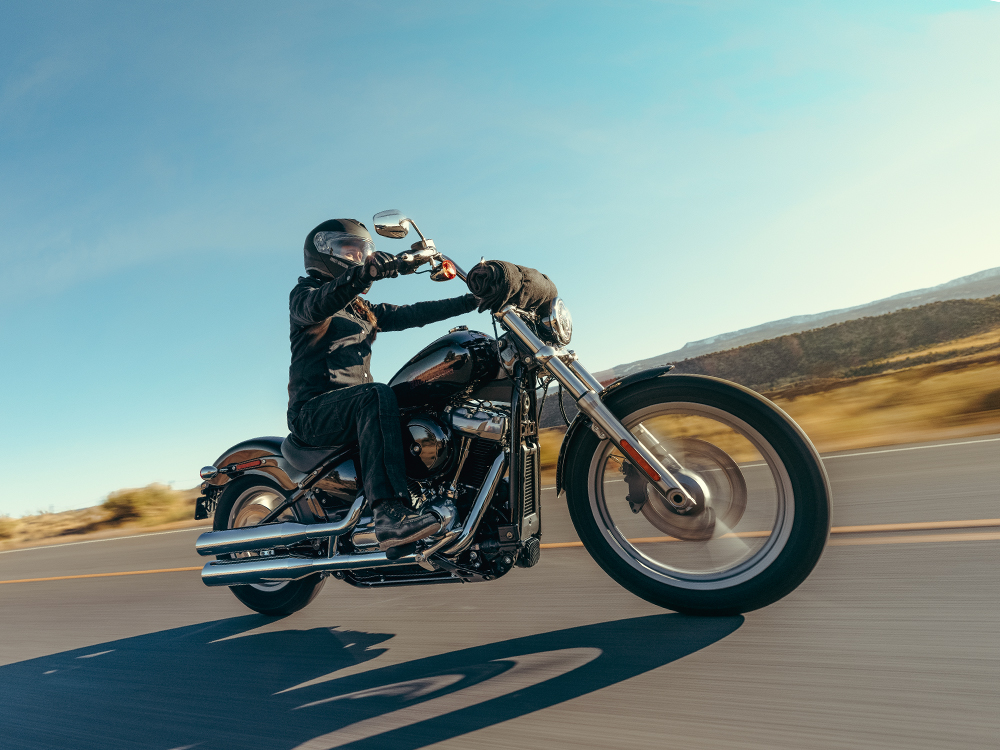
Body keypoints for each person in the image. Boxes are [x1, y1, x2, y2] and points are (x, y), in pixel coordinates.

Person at [287, 218, 479, 550]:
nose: (358, 258)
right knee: (377, 395)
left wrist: (472, 300)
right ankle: (389, 516)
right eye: (350, 251)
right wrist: (365, 272)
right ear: (323, 252)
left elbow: (412, 313)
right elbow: (318, 305)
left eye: (363, 252)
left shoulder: (362, 309)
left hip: (352, 408)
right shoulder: (306, 295)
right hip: (313, 414)